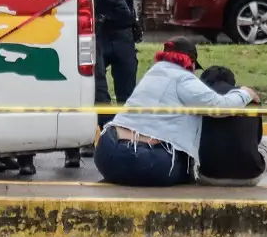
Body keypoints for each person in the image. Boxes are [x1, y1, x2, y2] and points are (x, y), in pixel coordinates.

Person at [94, 37, 258, 187]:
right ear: (191, 64)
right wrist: (244, 93)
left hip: (106, 153)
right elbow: (219, 107)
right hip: (144, 162)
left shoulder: (152, 74)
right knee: (186, 170)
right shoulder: (184, 78)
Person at [64, 0, 136, 169]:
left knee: (98, 92)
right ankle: (71, 149)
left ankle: (107, 143)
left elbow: (123, 13)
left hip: (91, 42)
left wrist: (101, 19)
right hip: (60, 44)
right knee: (65, 97)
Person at [196, 66, 267, 186]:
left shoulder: (198, 99)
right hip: (250, 177)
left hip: (207, 176)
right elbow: (257, 139)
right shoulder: (250, 98)